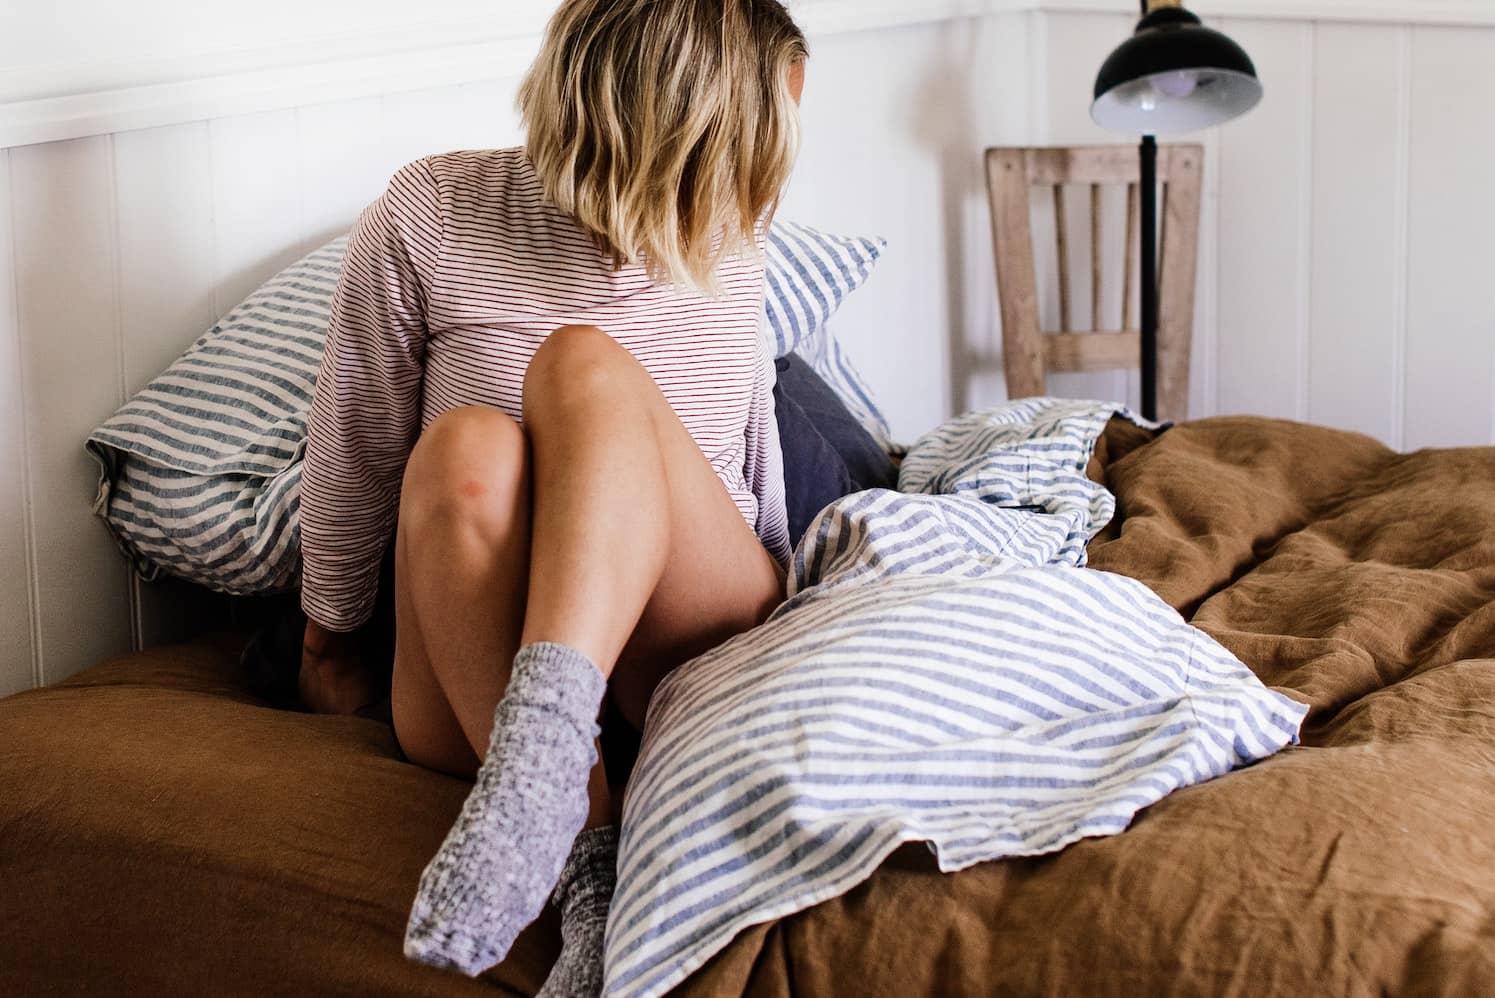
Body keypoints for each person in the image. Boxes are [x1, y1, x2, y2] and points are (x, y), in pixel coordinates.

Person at [294, 0, 808, 993]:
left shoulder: (735, 227)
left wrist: (798, 613)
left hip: (683, 663)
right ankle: (578, 844)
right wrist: (325, 640)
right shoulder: (430, 211)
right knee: (463, 444)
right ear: (677, 117)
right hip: (478, 679)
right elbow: (353, 444)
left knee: (580, 366)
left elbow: (752, 453)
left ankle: (547, 781)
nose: (774, 164)